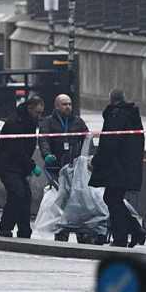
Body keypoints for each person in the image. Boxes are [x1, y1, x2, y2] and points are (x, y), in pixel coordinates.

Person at [90, 89, 146, 247]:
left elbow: (109, 143)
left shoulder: (116, 115)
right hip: (128, 166)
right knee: (113, 199)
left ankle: (122, 237)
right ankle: (134, 231)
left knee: (112, 199)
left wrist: (96, 161)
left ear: (111, 100)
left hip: (117, 167)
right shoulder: (131, 115)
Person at [38, 93, 90, 241]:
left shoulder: (78, 122)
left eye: (70, 104)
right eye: (64, 104)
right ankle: (61, 229)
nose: (68, 107)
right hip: (57, 167)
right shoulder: (48, 122)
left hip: (75, 168)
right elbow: (43, 140)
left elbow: (87, 139)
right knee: (61, 198)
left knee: (79, 198)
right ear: (56, 106)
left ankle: (81, 229)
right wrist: (47, 155)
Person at [0, 95, 45, 238]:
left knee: (25, 195)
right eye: (37, 112)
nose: (39, 116)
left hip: (18, 165)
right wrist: (32, 166)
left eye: (41, 113)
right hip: (7, 165)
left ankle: (24, 230)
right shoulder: (15, 123)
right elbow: (17, 149)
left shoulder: (30, 121)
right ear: (29, 108)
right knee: (17, 193)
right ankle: (6, 227)